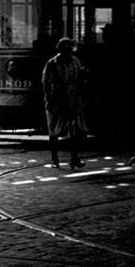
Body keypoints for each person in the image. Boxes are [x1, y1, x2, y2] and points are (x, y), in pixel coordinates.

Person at [41, 37, 88, 169]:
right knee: (54, 131)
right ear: (60, 49)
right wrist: (49, 99)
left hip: (72, 99)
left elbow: (80, 77)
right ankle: (54, 159)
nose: (68, 50)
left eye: (69, 48)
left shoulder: (75, 61)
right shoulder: (51, 64)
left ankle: (74, 158)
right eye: (65, 48)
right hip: (56, 101)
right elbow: (46, 83)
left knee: (74, 130)